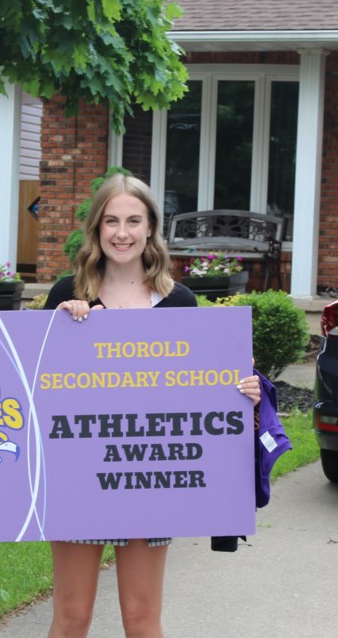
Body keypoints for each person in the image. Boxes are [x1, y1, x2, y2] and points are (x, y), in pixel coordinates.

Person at [43, 173, 262, 638]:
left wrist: (243, 392)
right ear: (97, 229)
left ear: (150, 228)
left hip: (150, 473)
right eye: (111, 221)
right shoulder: (67, 294)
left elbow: (203, 388)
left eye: (133, 221)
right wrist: (62, 331)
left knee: (142, 619)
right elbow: (35, 384)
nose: (122, 233)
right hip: (79, 475)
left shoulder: (180, 302)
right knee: (72, 616)